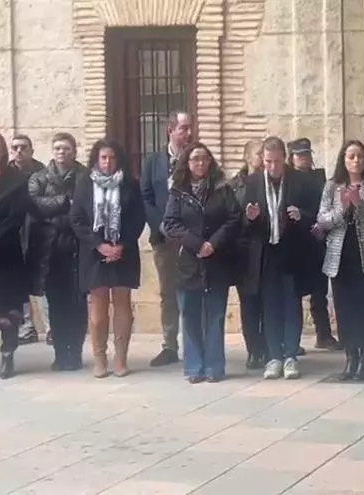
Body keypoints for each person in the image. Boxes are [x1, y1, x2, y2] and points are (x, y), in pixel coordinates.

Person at [163, 142, 240, 383]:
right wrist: (197, 244)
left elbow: (234, 218)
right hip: (189, 262)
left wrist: (213, 243)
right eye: (195, 159)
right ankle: (194, 367)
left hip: (216, 260)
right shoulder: (178, 191)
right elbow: (171, 223)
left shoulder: (222, 189)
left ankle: (214, 367)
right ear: (187, 163)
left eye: (204, 159)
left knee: (215, 315)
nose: (200, 163)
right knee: (190, 314)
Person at [70, 139, 145, 378]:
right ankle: (100, 358)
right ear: (96, 159)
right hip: (94, 253)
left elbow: (138, 219)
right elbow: (77, 219)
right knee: (98, 308)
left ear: (118, 159)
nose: (107, 162)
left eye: (111, 157)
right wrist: (100, 245)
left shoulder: (130, 184)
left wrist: (121, 245)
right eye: (103, 157)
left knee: (122, 305)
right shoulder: (84, 183)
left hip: (124, 251)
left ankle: (120, 359)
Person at [319, 140, 364, 380]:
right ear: (343, 159)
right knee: (344, 309)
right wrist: (343, 209)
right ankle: (350, 358)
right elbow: (323, 219)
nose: (355, 161)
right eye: (350, 156)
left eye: (360, 156)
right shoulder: (332, 186)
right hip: (341, 256)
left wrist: (359, 205)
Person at [243, 137, 314, 380]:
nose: (272, 167)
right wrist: (250, 217)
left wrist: (301, 215)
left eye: (276, 162)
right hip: (265, 252)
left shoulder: (299, 181)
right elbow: (242, 222)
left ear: (285, 159)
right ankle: (274, 356)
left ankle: (291, 355)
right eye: (267, 162)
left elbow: (314, 213)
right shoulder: (252, 183)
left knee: (291, 304)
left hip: (291, 250)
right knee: (270, 305)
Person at [29, 132, 89, 371]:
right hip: (50, 251)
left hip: (77, 248)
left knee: (77, 304)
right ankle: (59, 352)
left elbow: (85, 208)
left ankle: (74, 352)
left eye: (66, 148)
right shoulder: (39, 178)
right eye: (57, 149)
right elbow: (35, 205)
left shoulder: (85, 177)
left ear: (74, 151)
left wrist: (57, 209)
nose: (61, 153)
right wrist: (65, 202)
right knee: (56, 305)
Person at [142, 111, 194, 367]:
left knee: (193, 291)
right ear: (170, 130)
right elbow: (146, 197)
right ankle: (170, 345)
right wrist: (161, 226)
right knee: (168, 292)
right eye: (183, 128)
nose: (188, 133)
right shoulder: (153, 162)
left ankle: (195, 344)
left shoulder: (197, 158)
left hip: (191, 238)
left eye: (190, 128)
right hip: (163, 239)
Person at [287, 138, 341, 351]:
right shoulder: (289, 179)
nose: (304, 159)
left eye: (307, 154)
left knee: (319, 292)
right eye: (300, 155)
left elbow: (326, 204)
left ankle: (324, 334)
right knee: (295, 294)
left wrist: (318, 224)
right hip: (296, 241)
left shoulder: (319, 178)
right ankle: (294, 340)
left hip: (317, 238)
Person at [229, 139, 268, 369]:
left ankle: (268, 346)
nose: (262, 159)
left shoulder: (271, 181)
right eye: (257, 154)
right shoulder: (235, 185)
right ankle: (254, 349)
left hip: (267, 250)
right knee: (249, 303)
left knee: (267, 303)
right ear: (247, 158)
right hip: (244, 253)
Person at [8, 134, 47, 346]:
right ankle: (26, 328)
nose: (19, 151)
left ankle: (51, 328)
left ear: (32, 150)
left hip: (40, 233)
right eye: (15, 147)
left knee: (45, 280)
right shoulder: (5, 175)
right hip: (14, 236)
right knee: (17, 285)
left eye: (24, 147)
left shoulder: (44, 174)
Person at [0, 135, 31, 378]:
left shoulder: (17, 181)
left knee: (9, 307)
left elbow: (15, 218)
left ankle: (8, 353)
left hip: (7, 253)